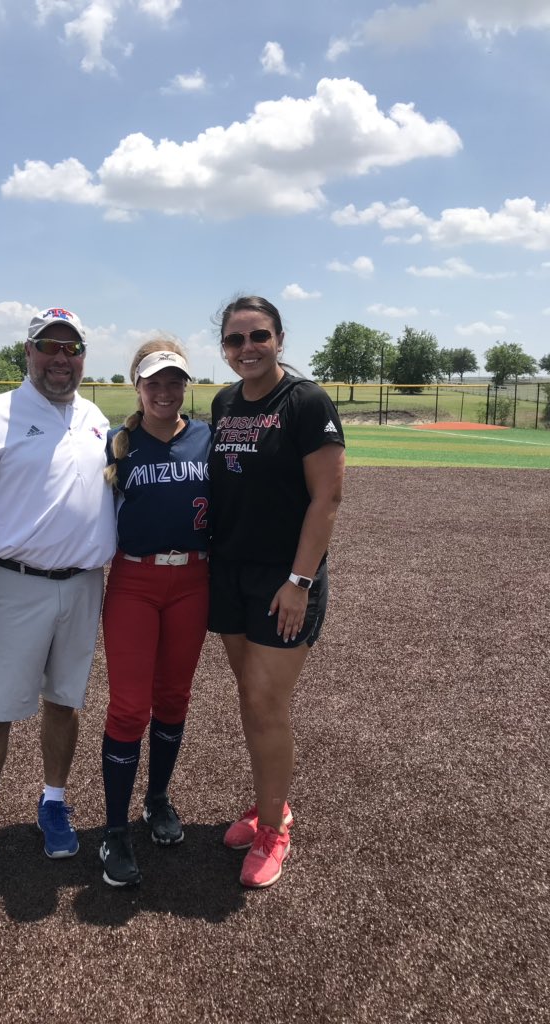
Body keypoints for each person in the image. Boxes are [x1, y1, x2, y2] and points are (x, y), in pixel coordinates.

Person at [0, 306, 116, 887]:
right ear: (28, 353)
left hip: (83, 585)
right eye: (48, 347)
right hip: (16, 582)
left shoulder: (96, 417)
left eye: (71, 348)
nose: (61, 358)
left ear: (84, 355)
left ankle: (53, 803)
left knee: (64, 703)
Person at [207, 295, 345, 889]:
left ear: (280, 339)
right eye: (235, 341)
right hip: (229, 571)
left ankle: (273, 830)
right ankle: (271, 803)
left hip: (283, 577)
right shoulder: (223, 401)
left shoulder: (307, 401)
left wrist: (298, 581)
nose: (247, 349)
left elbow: (328, 498)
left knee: (267, 700)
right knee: (249, 694)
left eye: (258, 336)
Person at [98, 339, 211, 887]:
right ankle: (114, 830)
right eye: (154, 383)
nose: (164, 392)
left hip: (193, 579)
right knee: (128, 707)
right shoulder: (117, 446)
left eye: (174, 382)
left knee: (173, 698)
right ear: (137, 387)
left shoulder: (207, 438)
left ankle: (158, 799)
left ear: (185, 385)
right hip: (135, 581)